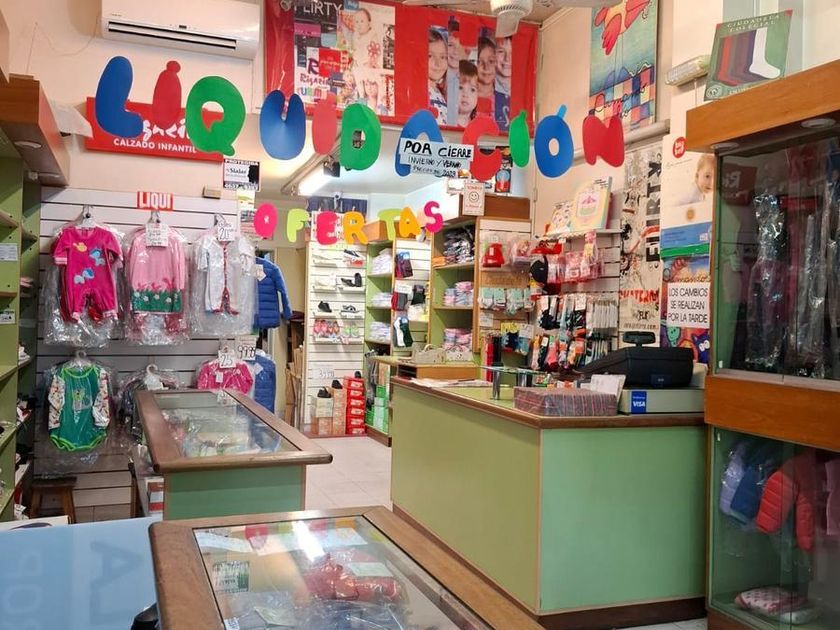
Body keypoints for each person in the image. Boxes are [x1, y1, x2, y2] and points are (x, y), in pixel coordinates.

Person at [446, 17, 465, 126]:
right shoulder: (438, 78)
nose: (456, 51)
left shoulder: (470, 79)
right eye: (451, 45)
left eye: (460, 46)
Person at [428, 28, 448, 121]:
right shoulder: (419, 92)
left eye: (443, 57)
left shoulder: (442, 93)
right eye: (430, 56)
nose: (438, 63)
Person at [494, 36, 512, 130]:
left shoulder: (525, 93)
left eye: (513, 52)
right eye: (501, 51)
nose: (507, 58)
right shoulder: (485, 90)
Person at [476, 36, 496, 119]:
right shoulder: (465, 97)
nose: (486, 67)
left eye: (491, 61)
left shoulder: (503, 99)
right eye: (480, 62)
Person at [457, 61, 478, 127]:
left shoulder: (477, 126)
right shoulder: (443, 121)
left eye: (472, 90)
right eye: (460, 88)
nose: (465, 95)